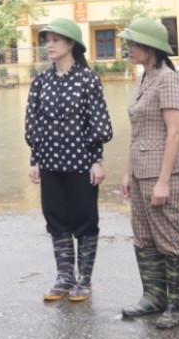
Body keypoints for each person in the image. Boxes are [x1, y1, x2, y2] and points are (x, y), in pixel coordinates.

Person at [24, 18, 113, 302]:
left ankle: (84, 279)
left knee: (85, 220)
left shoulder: (88, 78)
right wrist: (34, 159)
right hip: (50, 162)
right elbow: (33, 122)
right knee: (56, 220)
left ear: (71, 44)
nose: (49, 45)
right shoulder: (41, 81)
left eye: (56, 40)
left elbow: (98, 121)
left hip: (81, 163)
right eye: (47, 40)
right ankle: (64, 277)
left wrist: (97, 160)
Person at [117, 17, 179, 330]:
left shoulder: (167, 79)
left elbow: (173, 133)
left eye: (134, 43)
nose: (129, 48)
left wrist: (163, 181)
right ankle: (153, 297)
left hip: (163, 173)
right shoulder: (142, 78)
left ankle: (176, 305)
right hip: (141, 171)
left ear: (151, 47)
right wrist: (128, 174)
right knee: (144, 237)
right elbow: (137, 132)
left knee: (168, 239)